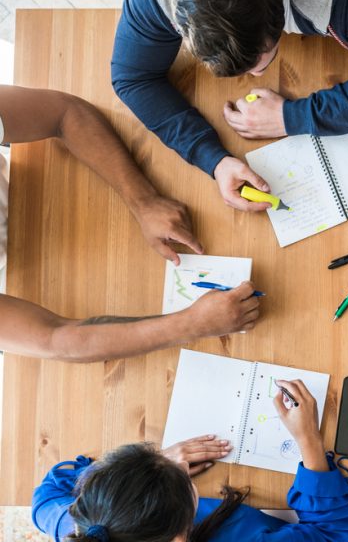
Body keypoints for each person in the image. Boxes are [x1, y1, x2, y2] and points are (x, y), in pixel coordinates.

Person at [31, 379, 348, 542]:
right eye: (185, 486)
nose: (180, 470)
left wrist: (156, 468)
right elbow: (331, 532)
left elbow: (45, 496)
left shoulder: (88, 533)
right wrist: (308, 438)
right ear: (180, 536)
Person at [112, 0, 348, 213]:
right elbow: (133, 78)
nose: (254, 76)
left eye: (260, 63)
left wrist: (293, 117)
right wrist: (214, 159)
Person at [0, 85, 258, 362]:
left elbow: (66, 113)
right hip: (22, 270)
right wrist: (192, 324)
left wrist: (143, 201)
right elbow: (54, 340)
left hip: (35, 191)